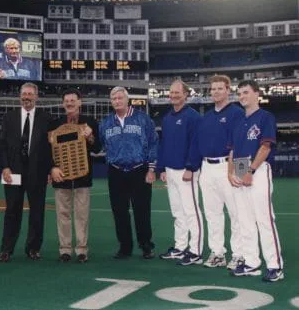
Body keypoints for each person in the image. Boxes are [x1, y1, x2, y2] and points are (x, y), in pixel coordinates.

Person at [228, 80, 284, 282]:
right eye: (240, 93)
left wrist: (251, 170)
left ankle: (275, 265)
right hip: (240, 167)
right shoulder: (238, 121)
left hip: (258, 168)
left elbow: (266, 146)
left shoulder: (265, 117)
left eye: (245, 92)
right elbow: (232, 151)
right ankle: (252, 262)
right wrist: (230, 173)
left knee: (264, 219)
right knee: (245, 221)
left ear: (256, 94)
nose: (242, 96)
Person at [99, 86, 158, 259]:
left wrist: (151, 169)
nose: (117, 101)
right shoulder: (106, 123)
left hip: (139, 169)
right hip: (116, 171)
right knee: (119, 211)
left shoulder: (142, 119)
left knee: (142, 210)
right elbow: (102, 144)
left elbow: (154, 143)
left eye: (120, 98)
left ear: (127, 99)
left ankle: (146, 245)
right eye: (114, 99)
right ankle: (125, 246)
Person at [0, 82, 54, 262]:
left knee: (37, 211)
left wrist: (48, 170)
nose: (27, 97)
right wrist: (5, 167)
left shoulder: (46, 118)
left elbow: (50, 148)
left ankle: (33, 248)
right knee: (12, 210)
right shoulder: (9, 117)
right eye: (24, 94)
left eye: (30, 94)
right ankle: (6, 249)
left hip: (37, 172)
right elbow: (2, 146)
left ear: (36, 97)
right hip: (12, 172)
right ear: (19, 96)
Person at [197, 75, 244, 269]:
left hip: (229, 165)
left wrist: (240, 172)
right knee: (212, 213)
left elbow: (241, 144)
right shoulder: (207, 116)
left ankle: (240, 254)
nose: (215, 91)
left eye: (220, 88)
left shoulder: (237, 113)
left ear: (228, 90)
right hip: (207, 167)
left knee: (237, 213)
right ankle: (217, 252)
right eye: (213, 88)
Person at [49, 89, 101, 263]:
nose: (69, 103)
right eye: (66, 101)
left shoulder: (90, 122)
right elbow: (48, 151)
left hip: (82, 176)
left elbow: (97, 148)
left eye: (72, 100)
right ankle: (64, 249)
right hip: (61, 176)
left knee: (82, 214)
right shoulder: (55, 124)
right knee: (62, 214)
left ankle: (81, 250)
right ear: (63, 104)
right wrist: (52, 168)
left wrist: (90, 136)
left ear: (80, 102)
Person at [158, 80, 204, 266]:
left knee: (191, 211)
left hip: (186, 171)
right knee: (177, 211)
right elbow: (164, 145)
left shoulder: (193, 117)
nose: (174, 95)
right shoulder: (167, 117)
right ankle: (180, 246)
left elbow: (196, 143)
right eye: (171, 92)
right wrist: (162, 168)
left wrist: (191, 167)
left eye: (177, 92)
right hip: (170, 170)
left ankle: (195, 250)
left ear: (186, 95)